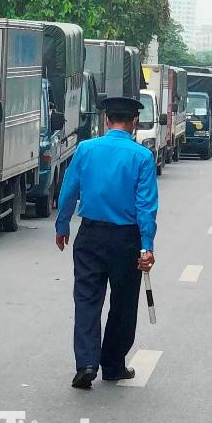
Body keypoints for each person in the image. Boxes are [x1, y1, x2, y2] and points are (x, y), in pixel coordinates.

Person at [55, 96, 158, 390]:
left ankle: (86, 363)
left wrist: (62, 225)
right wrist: (147, 246)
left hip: (91, 235)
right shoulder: (142, 157)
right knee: (123, 304)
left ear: (106, 120)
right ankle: (113, 365)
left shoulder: (86, 149)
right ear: (134, 123)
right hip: (127, 239)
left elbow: (69, 191)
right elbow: (146, 206)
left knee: (87, 300)